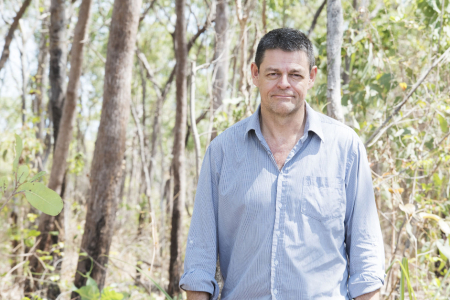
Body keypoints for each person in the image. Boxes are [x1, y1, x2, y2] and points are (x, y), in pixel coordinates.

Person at [179, 28, 385, 300]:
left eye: (295, 75)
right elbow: (199, 261)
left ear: (311, 77)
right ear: (255, 74)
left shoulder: (345, 148)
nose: (284, 84)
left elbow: (367, 257)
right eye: (273, 73)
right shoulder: (222, 152)